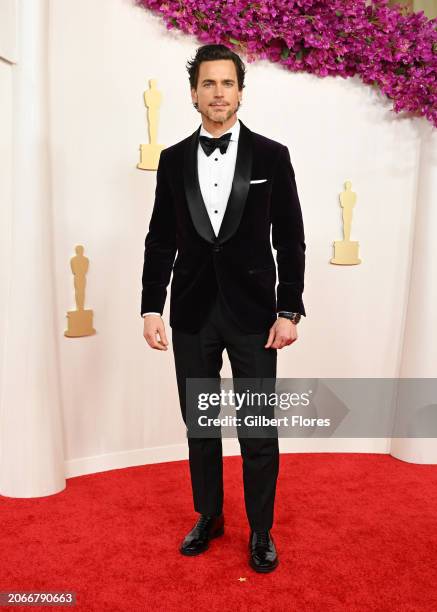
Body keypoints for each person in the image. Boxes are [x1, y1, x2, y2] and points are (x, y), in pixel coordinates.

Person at [141, 44, 306, 573]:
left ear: (240, 90)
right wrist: (150, 307)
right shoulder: (171, 160)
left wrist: (290, 309)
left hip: (255, 314)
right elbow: (159, 238)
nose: (218, 93)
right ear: (194, 93)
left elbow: (293, 239)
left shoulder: (272, 156)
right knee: (201, 425)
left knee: (258, 428)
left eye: (227, 83)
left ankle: (260, 530)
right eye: (208, 84)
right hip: (190, 313)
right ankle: (209, 515)